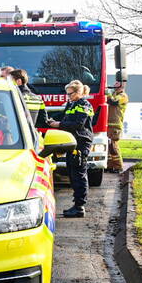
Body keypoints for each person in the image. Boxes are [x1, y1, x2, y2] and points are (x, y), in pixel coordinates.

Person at [48, 80, 94, 218]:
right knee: (72, 174)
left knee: (79, 174)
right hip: (73, 142)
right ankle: (76, 205)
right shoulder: (72, 103)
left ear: (79, 92)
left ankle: (79, 207)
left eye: (70, 94)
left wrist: (59, 124)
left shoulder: (84, 105)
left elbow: (78, 124)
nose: (68, 96)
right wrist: (50, 120)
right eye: (67, 94)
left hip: (81, 142)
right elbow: (64, 117)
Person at [106, 81, 128, 172]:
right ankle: (110, 166)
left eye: (116, 84)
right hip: (109, 125)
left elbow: (113, 102)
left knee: (113, 146)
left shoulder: (123, 96)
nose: (114, 85)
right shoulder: (114, 94)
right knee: (109, 146)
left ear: (121, 86)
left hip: (116, 126)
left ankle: (119, 166)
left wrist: (107, 93)